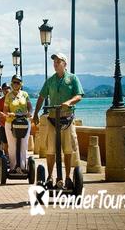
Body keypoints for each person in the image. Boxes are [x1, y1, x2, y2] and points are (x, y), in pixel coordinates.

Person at [33, 52, 84, 189]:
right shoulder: (50, 81)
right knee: (51, 150)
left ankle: (67, 177)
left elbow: (79, 95)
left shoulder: (72, 79)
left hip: (67, 119)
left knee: (68, 150)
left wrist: (69, 102)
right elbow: (41, 97)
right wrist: (36, 113)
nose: (55, 64)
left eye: (58, 61)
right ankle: (50, 177)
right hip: (52, 119)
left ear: (65, 64)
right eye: (54, 62)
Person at [4, 75, 33, 173]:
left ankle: (23, 167)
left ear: (21, 84)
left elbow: (30, 107)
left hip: (24, 122)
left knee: (24, 145)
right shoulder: (8, 95)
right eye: (14, 82)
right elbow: (5, 110)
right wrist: (9, 114)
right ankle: (13, 167)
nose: (16, 84)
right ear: (11, 83)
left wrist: (30, 113)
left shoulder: (25, 94)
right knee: (12, 146)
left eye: (18, 82)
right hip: (11, 123)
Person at [0, 82, 11, 156]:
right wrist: (4, 115)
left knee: (12, 142)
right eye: (5, 89)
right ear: (2, 91)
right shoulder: (1, 101)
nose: (6, 90)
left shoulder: (13, 99)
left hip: (13, 124)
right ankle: (7, 157)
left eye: (8, 88)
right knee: (5, 142)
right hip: (4, 124)